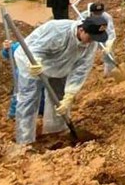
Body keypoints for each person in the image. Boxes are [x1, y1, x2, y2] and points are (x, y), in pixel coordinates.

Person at [14, 15, 108, 145]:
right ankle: (25, 141)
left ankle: (56, 131)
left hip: (60, 66)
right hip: (32, 62)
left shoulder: (91, 44)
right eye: (91, 37)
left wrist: (70, 94)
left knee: (59, 98)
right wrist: (35, 63)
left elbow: (81, 69)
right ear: (82, 30)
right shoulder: (57, 30)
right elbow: (35, 49)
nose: (91, 41)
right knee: (29, 100)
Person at [2, 39, 44, 119]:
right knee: (20, 96)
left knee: (40, 96)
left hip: (40, 76)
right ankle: (14, 115)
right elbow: (9, 52)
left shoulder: (44, 47)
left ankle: (39, 113)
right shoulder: (24, 45)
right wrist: (7, 48)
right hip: (23, 77)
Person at [79, 2, 117, 78]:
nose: (98, 15)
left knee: (108, 53)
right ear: (91, 12)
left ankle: (110, 72)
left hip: (100, 35)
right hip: (87, 36)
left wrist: (109, 44)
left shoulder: (106, 17)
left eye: (100, 12)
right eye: (96, 13)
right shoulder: (83, 16)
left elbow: (111, 32)